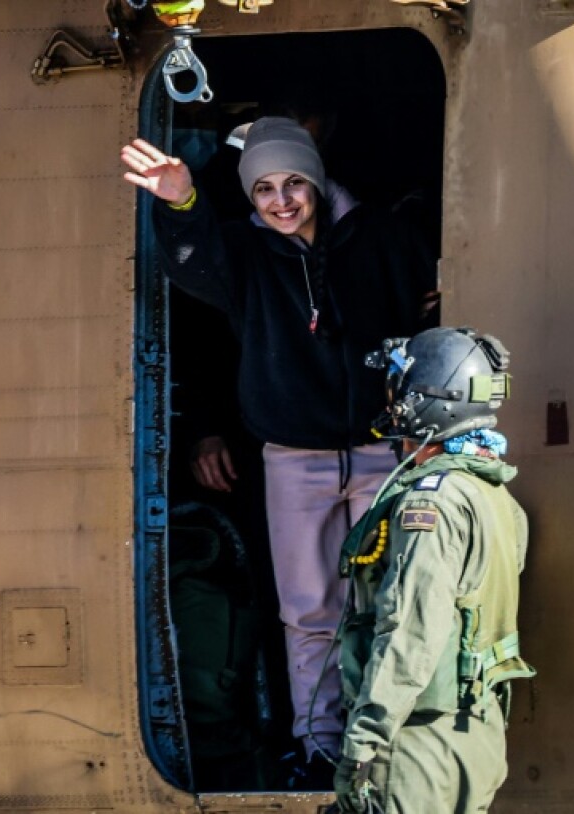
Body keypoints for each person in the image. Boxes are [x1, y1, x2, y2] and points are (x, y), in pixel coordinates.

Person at [122, 117, 439, 785]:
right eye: (264, 189)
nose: (282, 200)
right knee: (308, 611)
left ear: (317, 181)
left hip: (382, 451)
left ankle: (383, 743)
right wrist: (181, 202)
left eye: (294, 182)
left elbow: (426, 312)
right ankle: (319, 745)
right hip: (295, 459)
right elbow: (193, 262)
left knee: (386, 603)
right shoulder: (244, 251)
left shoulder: (380, 236)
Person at [332, 326, 536, 814]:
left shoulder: (430, 503)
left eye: (400, 392)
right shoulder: (495, 495)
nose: (392, 404)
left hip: (415, 748)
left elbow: (411, 631)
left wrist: (364, 741)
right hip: (476, 739)